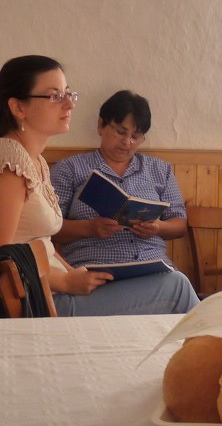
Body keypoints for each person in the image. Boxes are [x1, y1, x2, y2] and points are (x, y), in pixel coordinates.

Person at [0, 55, 121, 302]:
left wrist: (74, 274)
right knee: (175, 288)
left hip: (54, 291)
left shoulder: (34, 160)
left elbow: (42, 243)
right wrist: (66, 282)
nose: (69, 105)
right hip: (36, 302)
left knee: (173, 285)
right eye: (55, 96)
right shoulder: (9, 160)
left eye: (68, 93)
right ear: (19, 108)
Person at [49, 90, 198, 315]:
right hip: (93, 277)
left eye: (136, 136)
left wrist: (158, 228)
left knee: (176, 283)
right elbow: (49, 229)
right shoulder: (70, 169)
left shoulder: (160, 170)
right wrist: (90, 228)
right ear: (101, 125)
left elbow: (179, 224)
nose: (127, 142)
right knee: (179, 287)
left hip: (152, 273)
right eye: (120, 132)